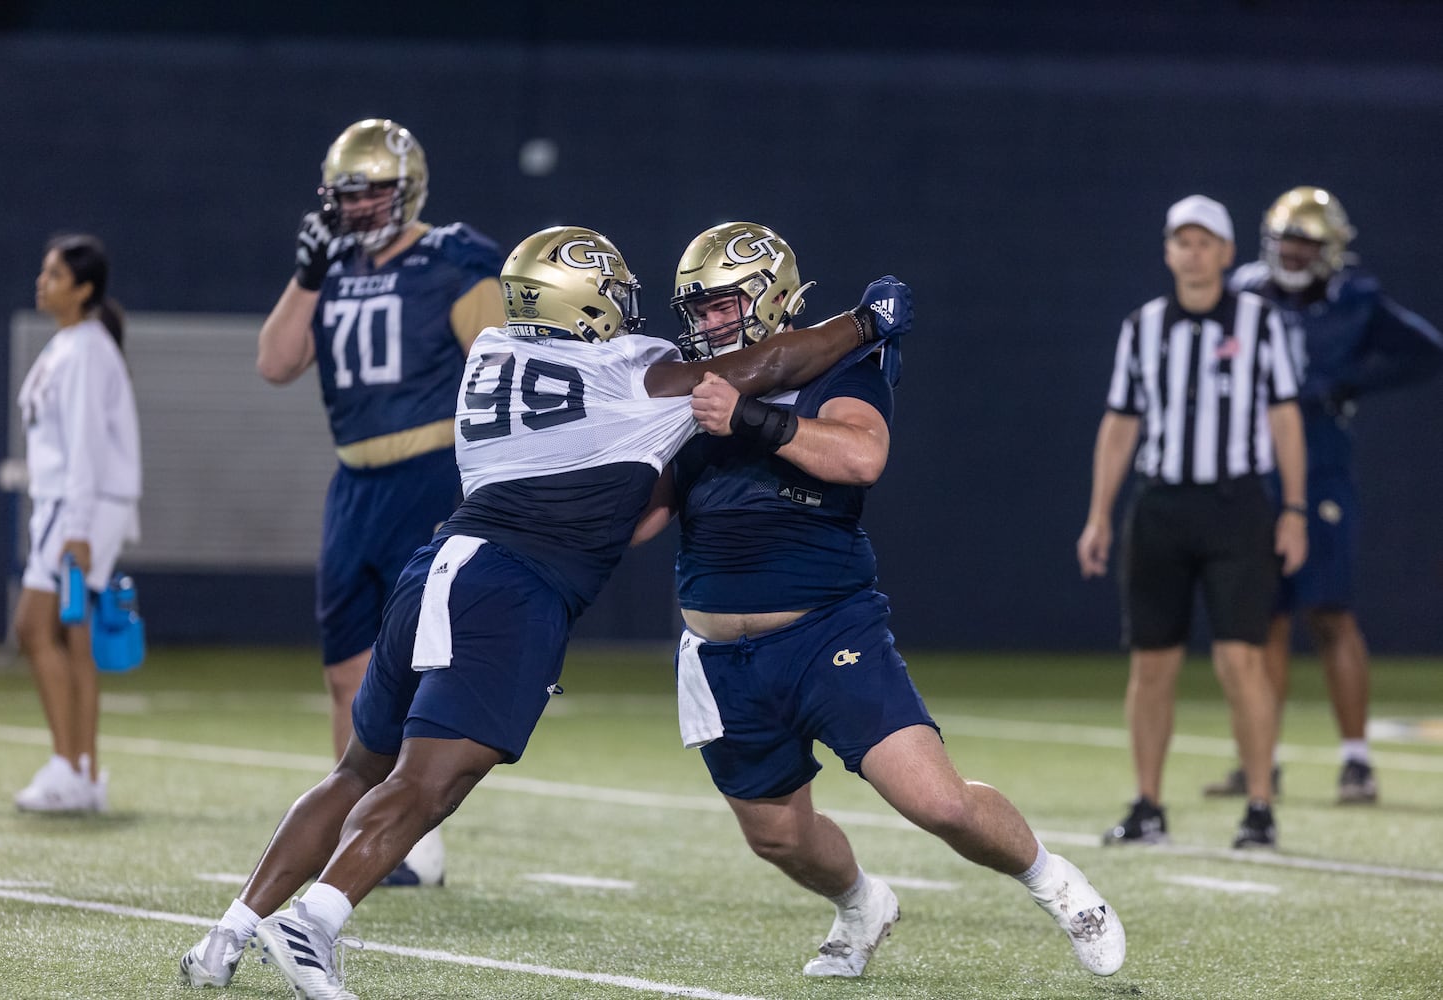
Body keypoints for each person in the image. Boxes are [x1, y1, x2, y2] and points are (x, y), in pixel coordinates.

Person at [177, 225, 911, 996]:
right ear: (586, 303)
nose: (632, 312)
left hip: (437, 567)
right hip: (510, 586)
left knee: (358, 768)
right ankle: (316, 920)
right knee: (433, 782)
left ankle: (228, 932)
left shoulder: (492, 350)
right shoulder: (635, 371)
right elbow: (762, 368)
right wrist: (866, 323)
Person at [636, 222, 1124, 981]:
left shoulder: (840, 368)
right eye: (696, 311)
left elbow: (862, 456)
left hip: (826, 630)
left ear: (769, 297)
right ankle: (863, 904)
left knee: (938, 803)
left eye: (721, 307)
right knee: (777, 837)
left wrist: (750, 418)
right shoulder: (695, 391)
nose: (706, 325)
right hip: (716, 656)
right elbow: (649, 514)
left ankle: (1055, 882)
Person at [256, 118, 506, 884]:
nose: (359, 210)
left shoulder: (454, 257)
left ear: (408, 190)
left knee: (417, 666)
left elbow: (504, 365)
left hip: (429, 474)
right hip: (354, 484)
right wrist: (305, 274)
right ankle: (357, 824)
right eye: (347, 196)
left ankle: (415, 840)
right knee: (348, 676)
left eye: (373, 195)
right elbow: (275, 362)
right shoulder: (330, 266)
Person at [1077, 195, 1307, 850]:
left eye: (1206, 241)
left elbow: (1286, 417)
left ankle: (1259, 804)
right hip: (1162, 507)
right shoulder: (1142, 326)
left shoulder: (1262, 322)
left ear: (1228, 253)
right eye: (1183, 240)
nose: (1194, 252)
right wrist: (1099, 514)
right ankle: (1148, 803)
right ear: (1168, 250)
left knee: (1242, 659)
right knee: (1152, 664)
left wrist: (1293, 508)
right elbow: (1120, 423)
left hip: (1237, 506)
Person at [1201, 186, 1443, 805]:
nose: (1295, 251)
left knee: (1330, 612)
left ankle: (1356, 760)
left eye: (1307, 241)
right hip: (1255, 470)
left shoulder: (1356, 300)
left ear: (1330, 249)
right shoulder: (1245, 291)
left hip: (1322, 467)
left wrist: (1346, 381)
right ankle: (1265, 759)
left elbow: (1425, 351)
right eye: (1287, 239)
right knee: (1265, 620)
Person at [13, 234, 141, 813]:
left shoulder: (86, 348)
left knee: (34, 626)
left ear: (84, 289)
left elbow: (86, 444)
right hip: (69, 505)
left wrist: (79, 528)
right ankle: (82, 773)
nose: (44, 282)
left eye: (56, 274)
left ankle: (68, 766)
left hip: (81, 508)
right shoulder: (69, 344)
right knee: (73, 635)